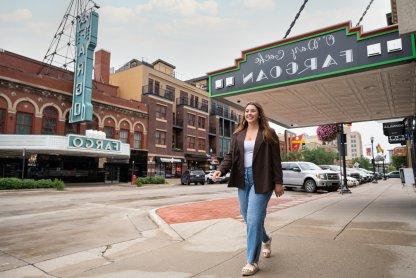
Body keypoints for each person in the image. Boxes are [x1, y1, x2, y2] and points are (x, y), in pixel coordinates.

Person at [212, 101, 284, 276]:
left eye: (253, 111)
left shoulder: (268, 133)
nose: (249, 113)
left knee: (252, 220)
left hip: (262, 179)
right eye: (247, 111)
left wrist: (278, 182)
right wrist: (221, 169)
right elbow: (230, 156)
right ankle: (266, 239)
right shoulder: (238, 134)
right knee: (248, 218)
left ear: (259, 114)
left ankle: (251, 261)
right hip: (243, 178)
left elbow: (276, 159)